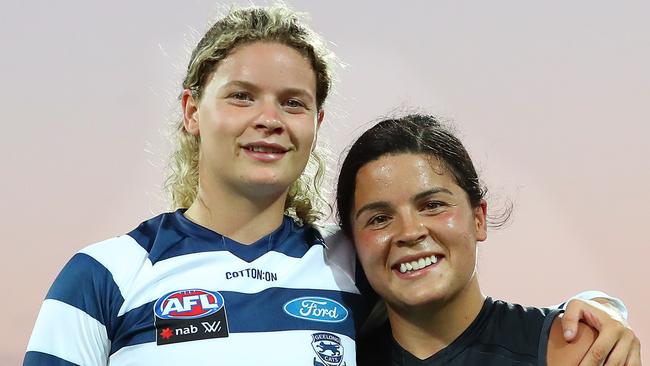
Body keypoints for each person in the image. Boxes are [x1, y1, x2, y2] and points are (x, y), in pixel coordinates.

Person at [24, 4, 638, 366]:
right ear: (191, 110)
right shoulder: (101, 276)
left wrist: (596, 310)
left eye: (293, 102)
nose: (269, 118)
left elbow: (459, 318)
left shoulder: (347, 266)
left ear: (315, 123)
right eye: (242, 96)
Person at [336, 113, 642, 365]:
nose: (410, 232)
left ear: (479, 218)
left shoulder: (576, 351)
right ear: (353, 242)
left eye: (432, 206)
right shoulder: (335, 357)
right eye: (379, 219)